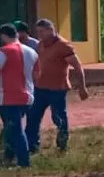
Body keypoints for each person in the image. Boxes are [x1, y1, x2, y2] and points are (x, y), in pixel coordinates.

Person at [27, 18, 88, 154]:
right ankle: (32, 146)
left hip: (57, 89)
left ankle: (62, 146)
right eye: (38, 32)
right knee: (33, 117)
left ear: (51, 30)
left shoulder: (63, 46)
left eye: (42, 31)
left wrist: (82, 87)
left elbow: (77, 67)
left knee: (59, 118)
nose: (39, 35)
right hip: (40, 88)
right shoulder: (40, 45)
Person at [0, 24, 38, 168]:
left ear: (3, 36)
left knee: (15, 130)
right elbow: (37, 74)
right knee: (11, 128)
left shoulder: (4, 51)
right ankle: (9, 157)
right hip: (27, 97)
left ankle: (24, 162)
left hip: (8, 97)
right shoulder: (32, 52)